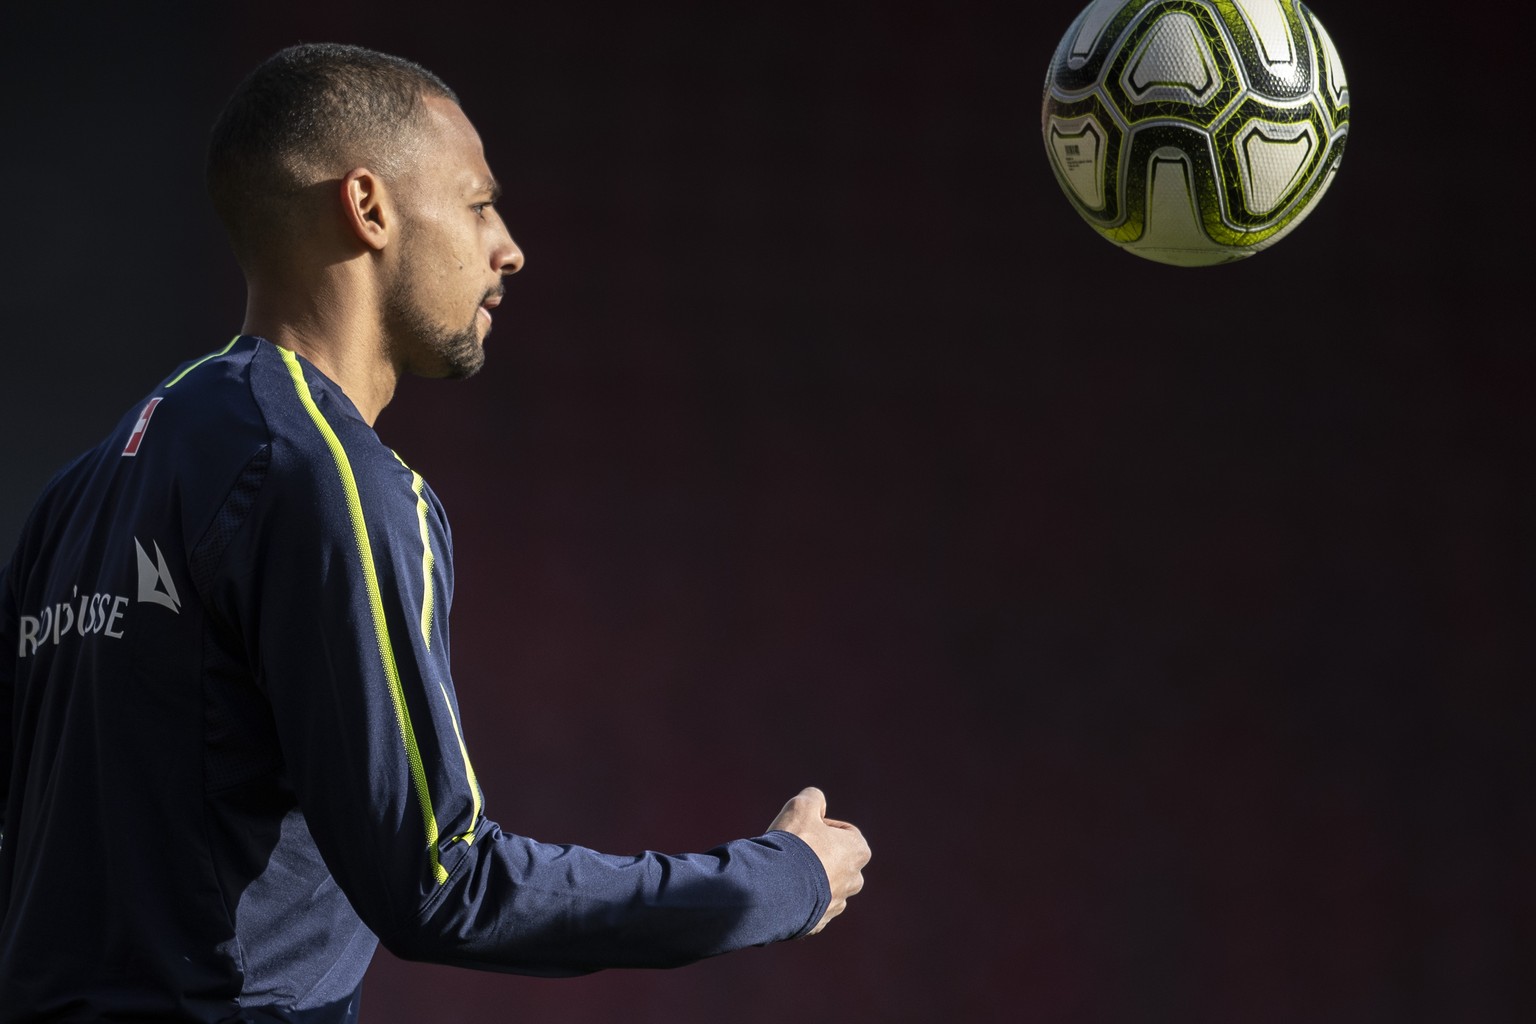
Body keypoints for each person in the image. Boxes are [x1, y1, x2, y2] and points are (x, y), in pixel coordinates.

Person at [0, 43, 869, 1023]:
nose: (509, 246)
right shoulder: (329, 480)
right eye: (477, 202)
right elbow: (440, 884)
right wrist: (774, 882)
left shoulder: (79, 492)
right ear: (368, 208)